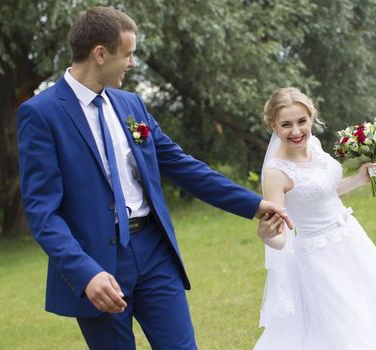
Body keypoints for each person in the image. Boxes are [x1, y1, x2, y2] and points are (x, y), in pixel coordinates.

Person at [17, 6, 291, 350]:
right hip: (96, 263)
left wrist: (253, 204)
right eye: (128, 54)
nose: (132, 64)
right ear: (100, 54)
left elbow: (181, 165)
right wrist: (85, 273)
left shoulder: (132, 105)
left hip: (154, 251)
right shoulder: (40, 114)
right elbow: (42, 212)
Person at [254, 87, 376, 349]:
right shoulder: (275, 173)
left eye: (301, 121)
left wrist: (360, 179)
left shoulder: (314, 146)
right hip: (318, 258)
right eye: (286, 124)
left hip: (351, 240)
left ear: (311, 117)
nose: (296, 131)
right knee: (349, 323)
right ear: (274, 125)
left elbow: (325, 193)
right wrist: (266, 234)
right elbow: (280, 236)